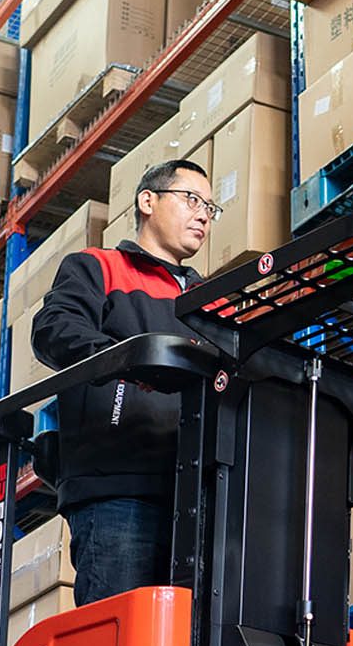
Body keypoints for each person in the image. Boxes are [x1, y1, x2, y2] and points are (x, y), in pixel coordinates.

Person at [31, 157, 220, 605]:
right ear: (147, 201)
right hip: (118, 487)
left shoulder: (209, 299)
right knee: (120, 637)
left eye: (211, 208)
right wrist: (130, 362)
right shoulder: (99, 267)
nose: (202, 215)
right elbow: (54, 329)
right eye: (192, 199)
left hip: (197, 493)